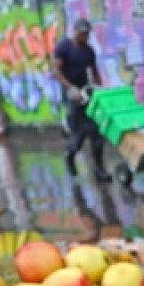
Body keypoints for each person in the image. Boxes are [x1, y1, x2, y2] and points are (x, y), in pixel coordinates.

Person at [54, 19, 109, 181]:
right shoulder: (64, 47)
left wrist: (101, 89)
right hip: (72, 94)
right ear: (75, 31)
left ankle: (99, 170)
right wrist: (71, 88)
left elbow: (94, 71)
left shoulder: (89, 51)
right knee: (79, 133)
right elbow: (56, 71)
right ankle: (70, 155)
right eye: (82, 33)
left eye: (87, 34)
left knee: (96, 132)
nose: (85, 37)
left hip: (87, 93)